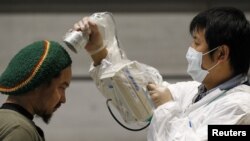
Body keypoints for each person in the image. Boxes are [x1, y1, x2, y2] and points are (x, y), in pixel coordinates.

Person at [73, 7, 250, 140]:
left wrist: (167, 107)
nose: (190, 49)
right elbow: (137, 93)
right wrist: (98, 50)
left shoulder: (242, 108)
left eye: (197, 43)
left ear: (221, 54)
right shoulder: (195, 91)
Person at [0, 40, 72, 141]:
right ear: (39, 83)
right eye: (62, 87)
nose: (63, 99)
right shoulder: (19, 130)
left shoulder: (8, 123)